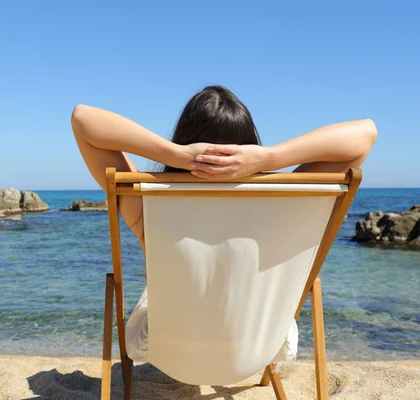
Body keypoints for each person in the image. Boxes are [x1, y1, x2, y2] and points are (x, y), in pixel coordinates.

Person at [70, 85, 377, 361]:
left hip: (168, 351)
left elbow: (83, 120)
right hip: (260, 348)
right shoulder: (284, 202)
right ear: (249, 145)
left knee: (155, 294)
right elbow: (365, 135)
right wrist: (270, 158)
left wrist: (176, 156)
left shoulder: (149, 202)